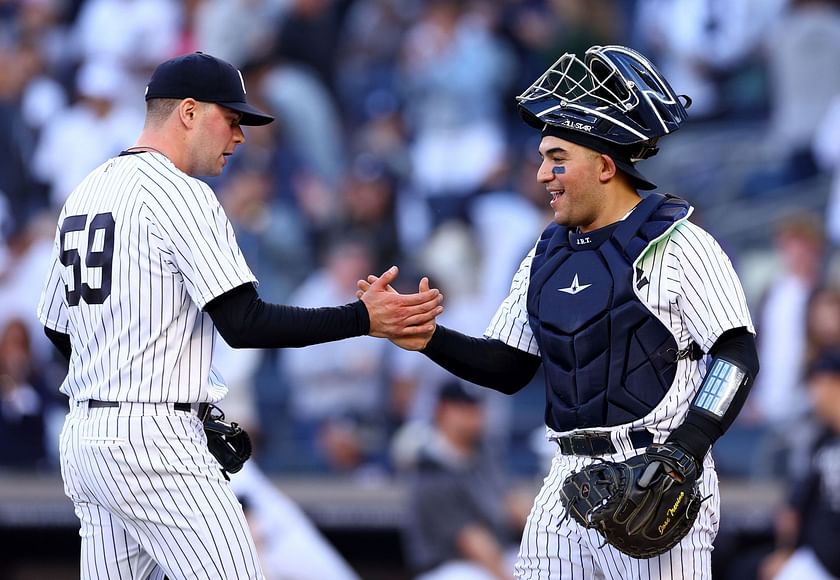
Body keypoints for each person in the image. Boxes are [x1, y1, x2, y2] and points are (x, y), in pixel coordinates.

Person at [35, 51, 442, 580]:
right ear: (188, 112)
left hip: (87, 439)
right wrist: (361, 318)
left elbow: (55, 325)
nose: (240, 136)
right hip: (153, 440)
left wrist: (114, 378)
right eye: (230, 119)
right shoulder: (181, 193)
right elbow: (243, 322)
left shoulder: (86, 192)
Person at [361, 45, 759, 578]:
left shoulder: (680, 243)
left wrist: (684, 454)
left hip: (655, 470)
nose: (543, 173)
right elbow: (507, 366)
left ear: (604, 165)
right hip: (568, 477)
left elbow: (735, 352)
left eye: (557, 158)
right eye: (543, 158)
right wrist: (428, 337)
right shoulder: (545, 253)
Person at [401, 381, 527, 580]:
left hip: (495, 555)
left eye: (475, 407)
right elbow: (473, 542)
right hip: (448, 568)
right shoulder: (431, 467)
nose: (473, 415)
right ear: (441, 410)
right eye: (463, 408)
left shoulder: (484, 452)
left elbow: (513, 503)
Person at [759, 349, 840, 580]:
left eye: (819, 384)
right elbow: (792, 511)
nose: (814, 394)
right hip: (819, 561)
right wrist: (786, 551)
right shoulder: (823, 442)